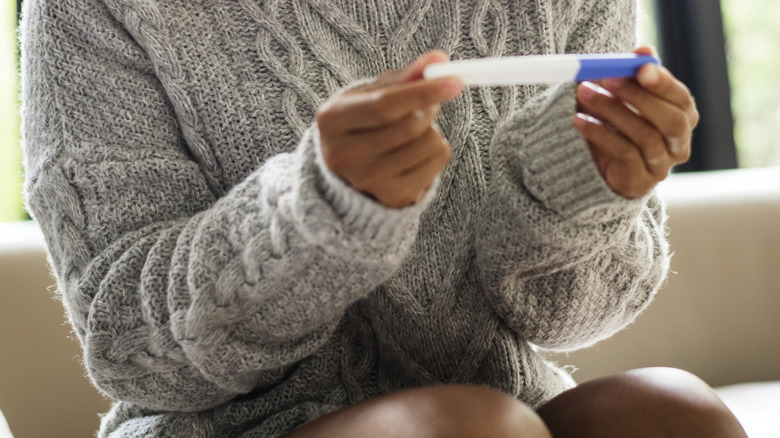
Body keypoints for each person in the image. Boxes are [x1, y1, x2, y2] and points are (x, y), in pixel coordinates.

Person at [20, 0, 746, 436]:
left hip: (502, 408)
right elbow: (126, 342)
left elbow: (566, 321)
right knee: (465, 429)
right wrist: (314, 215)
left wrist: (582, 187)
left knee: (672, 416)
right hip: (225, 426)